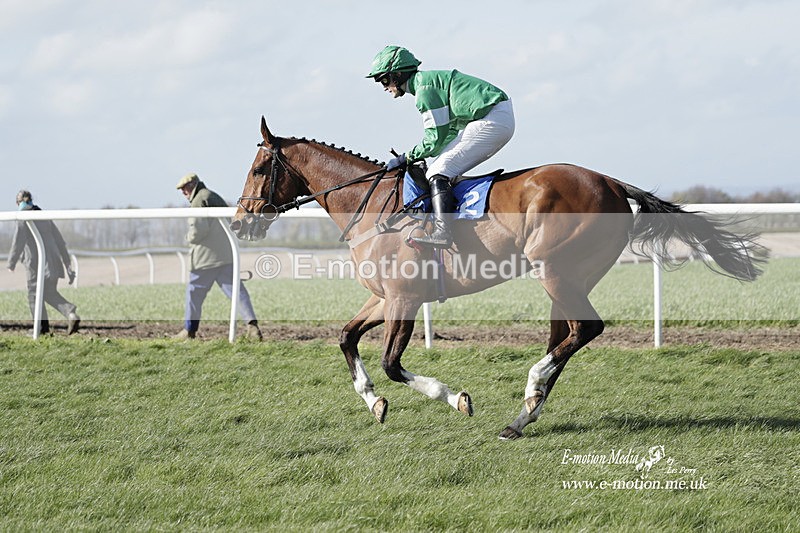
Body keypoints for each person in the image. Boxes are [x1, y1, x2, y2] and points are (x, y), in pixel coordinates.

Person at [367, 45, 515, 248]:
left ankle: (443, 233)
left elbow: (434, 139)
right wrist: (417, 155)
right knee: (440, 167)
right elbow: (446, 135)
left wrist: (406, 157)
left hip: (492, 119)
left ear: (398, 74)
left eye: (383, 80)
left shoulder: (424, 91)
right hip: (495, 116)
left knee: (437, 171)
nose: (384, 86)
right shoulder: (426, 84)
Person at [175, 173, 262, 340]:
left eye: (184, 188)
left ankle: (189, 331)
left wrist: (188, 237)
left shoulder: (199, 200)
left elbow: (198, 231)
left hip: (205, 259)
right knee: (237, 292)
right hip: (226, 255)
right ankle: (252, 327)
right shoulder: (212, 195)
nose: (183, 192)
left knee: (193, 294)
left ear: (192, 185)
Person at [7, 190, 80, 335]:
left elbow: (18, 240)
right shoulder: (44, 215)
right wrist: (67, 264)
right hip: (53, 262)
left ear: (17, 203)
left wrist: (11, 262)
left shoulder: (22, 216)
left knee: (34, 295)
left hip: (36, 265)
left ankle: (40, 329)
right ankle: (70, 314)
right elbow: (60, 241)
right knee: (48, 293)